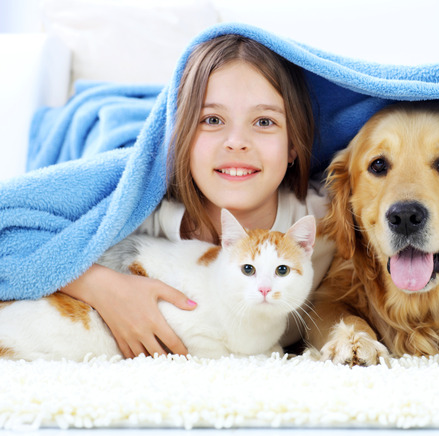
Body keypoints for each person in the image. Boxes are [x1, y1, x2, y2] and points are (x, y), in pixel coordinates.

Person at [60, 34, 334, 358]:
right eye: (212, 119)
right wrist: (103, 288)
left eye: (264, 121)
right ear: (183, 137)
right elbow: (22, 244)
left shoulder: (327, 221)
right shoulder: (141, 210)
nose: (236, 142)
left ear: (293, 145)